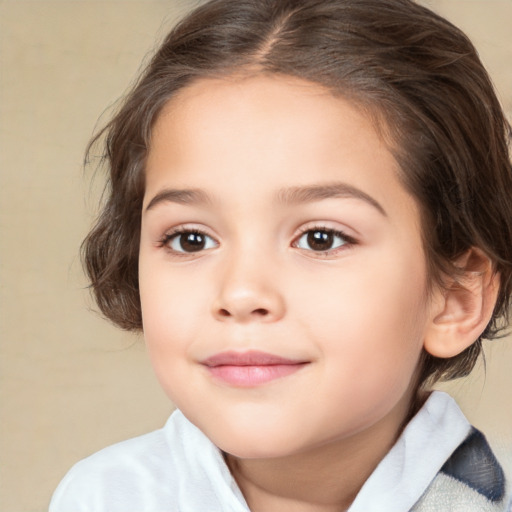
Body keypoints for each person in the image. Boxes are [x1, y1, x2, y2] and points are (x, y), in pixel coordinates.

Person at [49, 0, 512, 510]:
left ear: (455, 296)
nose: (242, 293)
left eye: (321, 238)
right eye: (191, 239)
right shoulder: (103, 495)